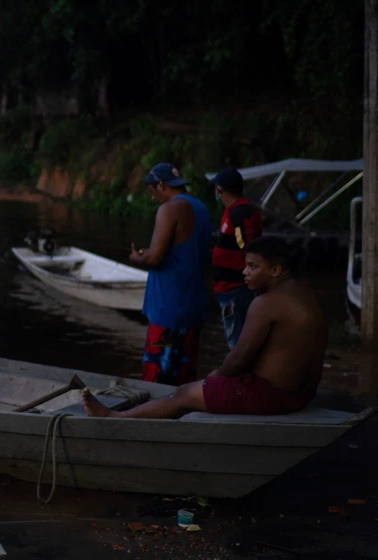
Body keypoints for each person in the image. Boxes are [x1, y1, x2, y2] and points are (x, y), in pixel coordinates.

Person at [83, 237, 325, 419]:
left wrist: (215, 377)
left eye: (253, 266)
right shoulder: (308, 295)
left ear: (275, 270)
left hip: (274, 397)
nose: (245, 272)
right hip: (302, 395)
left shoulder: (265, 303)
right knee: (199, 388)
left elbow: (239, 359)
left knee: (183, 394)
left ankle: (115, 417)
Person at [129, 163, 211, 385]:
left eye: (152, 191)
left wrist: (137, 257)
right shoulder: (201, 208)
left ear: (161, 184)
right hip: (194, 307)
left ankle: (154, 420)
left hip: (169, 310)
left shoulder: (169, 209)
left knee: (157, 380)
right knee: (184, 377)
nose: (153, 198)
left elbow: (155, 258)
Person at [210, 167, 262, 349]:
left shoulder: (240, 213)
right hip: (229, 289)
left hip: (236, 290)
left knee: (238, 344)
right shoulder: (234, 210)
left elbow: (250, 247)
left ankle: (241, 376)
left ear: (220, 189)